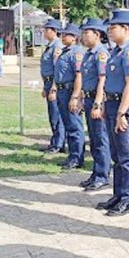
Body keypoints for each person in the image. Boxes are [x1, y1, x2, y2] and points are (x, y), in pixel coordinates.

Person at [98, 10, 129, 215]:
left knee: (125, 155)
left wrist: (122, 112)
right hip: (112, 103)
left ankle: (128, 198)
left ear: (126, 29)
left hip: (124, 107)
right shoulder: (116, 51)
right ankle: (118, 194)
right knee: (116, 153)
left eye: (113, 27)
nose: (109, 31)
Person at [79, 18, 111, 190]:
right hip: (89, 97)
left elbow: (102, 80)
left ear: (97, 34)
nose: (83, 36)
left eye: (86, 32)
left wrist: (98, 103)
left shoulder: (101, 54)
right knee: (93, 137)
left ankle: (102, 175)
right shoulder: (89, 53)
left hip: (97, 99)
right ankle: (96, 171)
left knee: (101, 139)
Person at [50, 23, 85, 171]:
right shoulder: (65, 51)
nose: (63, 36)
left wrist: (75, 96)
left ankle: (77, 157)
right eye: (62, 34)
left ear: (74, 37)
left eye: (66, 34)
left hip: (70, 91)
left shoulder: (76, 52)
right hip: (62, 90)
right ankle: (72, 155)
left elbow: (79, 75)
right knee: (68, 124)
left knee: (74, 126)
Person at [39, 19, 66, 154]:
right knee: (52, 114)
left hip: (54, 82)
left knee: (57, 115)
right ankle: (55, 141)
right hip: (48, 82)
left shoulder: (57, 47)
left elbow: (58, 69)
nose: (44, 32)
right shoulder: (51, 46)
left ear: (54, 31)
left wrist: (53, 88)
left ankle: (59, 143)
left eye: (46, 30)